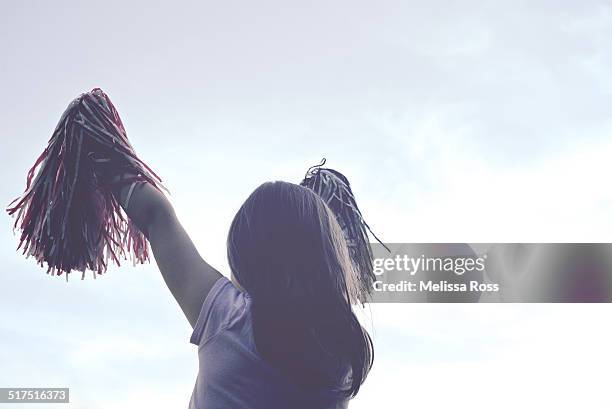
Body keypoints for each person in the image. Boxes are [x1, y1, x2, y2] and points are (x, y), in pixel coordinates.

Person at [112, 176, 374, 408]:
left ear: (246, 260)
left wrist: (98, 141)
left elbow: (156, 215)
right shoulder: (341, 358)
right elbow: (319, 275)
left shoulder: (229, 318)